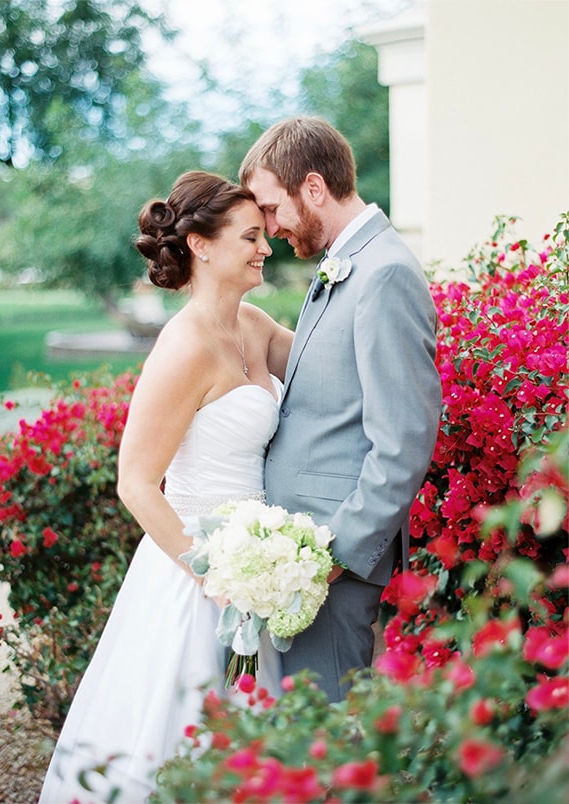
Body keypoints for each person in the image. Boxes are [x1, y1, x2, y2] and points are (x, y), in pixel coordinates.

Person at [39, 171, 293, 803]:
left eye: (265, 236)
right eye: (252, 237)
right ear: (202, 246)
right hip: (197, 574)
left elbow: (332, 368)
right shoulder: (182, 348)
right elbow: (136, 482)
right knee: (182, 742)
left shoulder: (255, 324)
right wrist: (214, 572)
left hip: (260, 562)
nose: (266, 248)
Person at [239, 117, 442, 702]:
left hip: (327, 562)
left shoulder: (385, 273)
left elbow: (403, 442)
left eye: (273, 209)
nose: (271, 229)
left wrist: (332, 556)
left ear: (312, 188)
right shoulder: (345, 261)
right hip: (297, 554)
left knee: (322, 737)